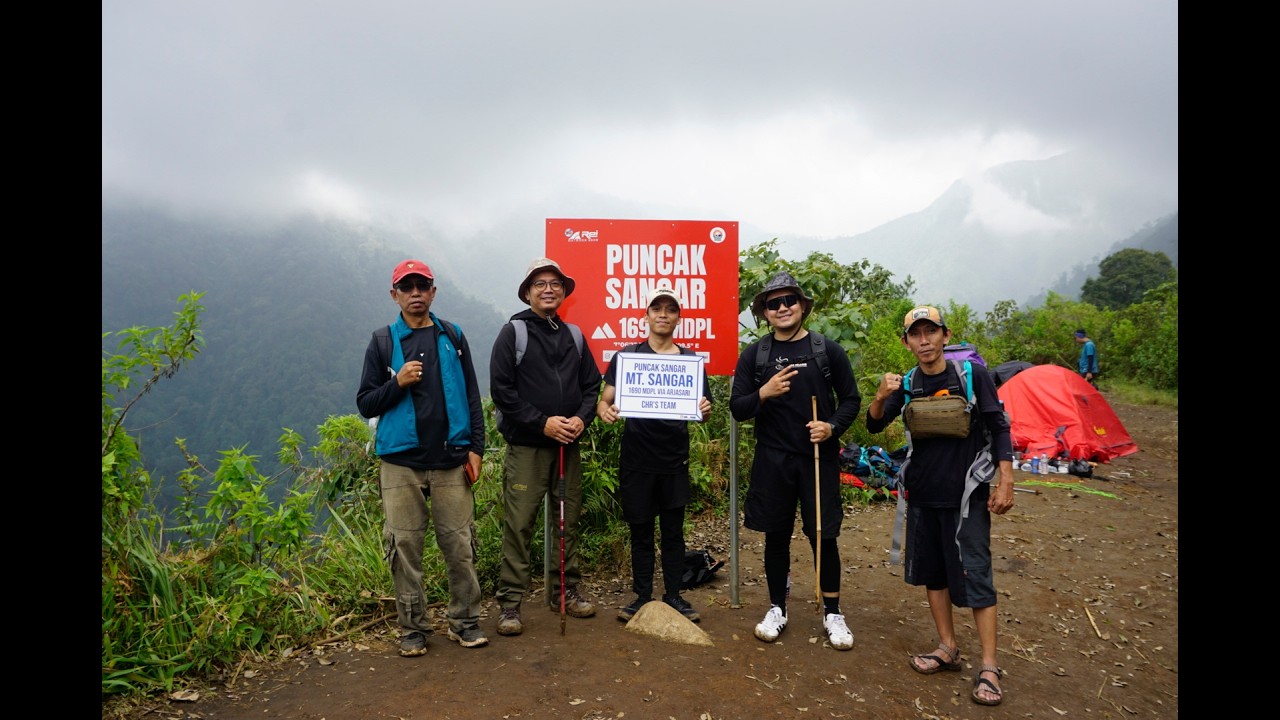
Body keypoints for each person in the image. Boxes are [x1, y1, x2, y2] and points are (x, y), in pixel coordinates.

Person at [864, 305, 1015, 706]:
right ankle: (947, 647)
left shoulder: (971, 376)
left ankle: (988, 665)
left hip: (966, 496)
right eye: (916, 334)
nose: (924, 340)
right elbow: (875, 424)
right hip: (923, 494)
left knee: (977, 575)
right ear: (907, 342)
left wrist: (1006, 480)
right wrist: (880, 396)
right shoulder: (909, 383)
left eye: (931, 332)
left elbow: (999, 425)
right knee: (933, 574)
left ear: (946, 336)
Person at [356, 259, 489, 657]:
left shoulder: (453, 335)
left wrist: (476, 449)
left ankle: (464, 621)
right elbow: (365, 403)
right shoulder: (383, 341)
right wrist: (396, 383)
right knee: (405, 549)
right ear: (394, 295)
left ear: (433, 292)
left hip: (451, 458)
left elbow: (472, 396)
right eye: (407, 287)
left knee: (459, 544)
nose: (415, 293)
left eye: (422, 286)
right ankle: (413, 629)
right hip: (400, 462)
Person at [729, 271, 862, 651]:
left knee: (824, 534)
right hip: (773, 459)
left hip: (817, 458)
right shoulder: (756, 355)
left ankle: (833, 611)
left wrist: (831, 427)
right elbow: (738, 408)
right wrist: (764, 392)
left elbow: (851, 399)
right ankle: (776, 607)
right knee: (775, 535)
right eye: (774, 303)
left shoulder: (827, 351)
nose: (783, 307)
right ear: (765, 313)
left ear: (803, 306)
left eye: (789, 301)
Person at [490, 257, 603, 636]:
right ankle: (510, 604)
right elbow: (502, 392)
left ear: (564, 291)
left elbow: (591, 386)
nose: (549, 289)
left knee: (566, 520)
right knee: (519, 524)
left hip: (567, 446)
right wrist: (543, 423)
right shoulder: (514, 334)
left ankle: (565, 591)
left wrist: (581, 419)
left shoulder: (573, 335)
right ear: (528, 292)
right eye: (540, 284)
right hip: (527, 448)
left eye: (555, 283)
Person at [597, 285, 713, 623]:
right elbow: (604, 400)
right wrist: (605, 411)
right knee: (641, 531)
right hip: (636, 459)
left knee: (674, 532)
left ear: (678, 318)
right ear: (646, 316)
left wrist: (704, 409)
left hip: (674, 460)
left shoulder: (691, 362)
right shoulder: (627, 357)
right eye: (657, 308)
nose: (663, 314)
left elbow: (703, 409)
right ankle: (642, 597)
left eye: (670, 309)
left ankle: (675, 596)